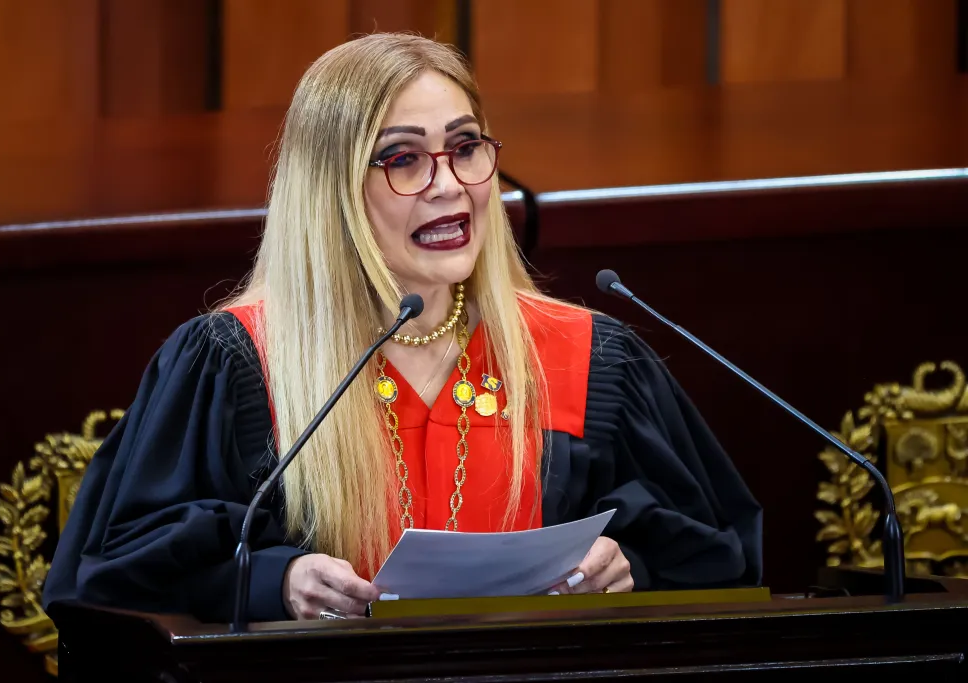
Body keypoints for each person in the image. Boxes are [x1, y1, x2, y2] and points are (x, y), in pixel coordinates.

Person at [42, 33, 762, 623]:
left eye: (466, 146)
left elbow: (720, 557)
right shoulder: (238, 362)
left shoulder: (586, 358)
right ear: (333, 190)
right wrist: (276, 581)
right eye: (404, 158)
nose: (450, 184)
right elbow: (110, 581)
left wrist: (629, 566)